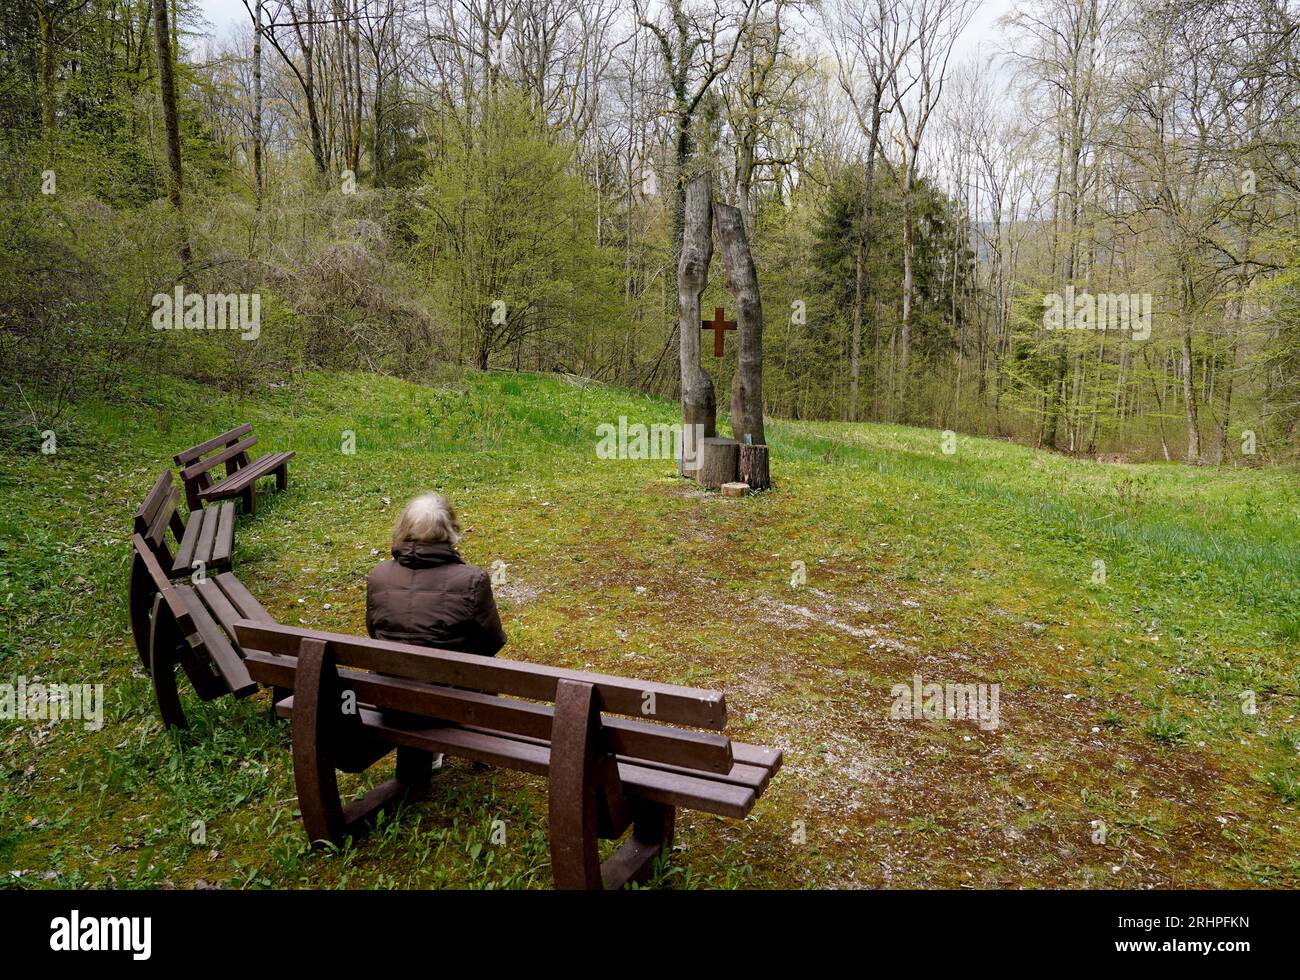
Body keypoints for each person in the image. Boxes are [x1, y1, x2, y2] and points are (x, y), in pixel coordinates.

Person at [366, 493, 507, 658]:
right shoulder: (472, 581)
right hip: (452, 680)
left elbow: (374, 631)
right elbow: (492, 642)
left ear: (403, 527)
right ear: (450, 528)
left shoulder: (378, 576)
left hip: (384, 680)